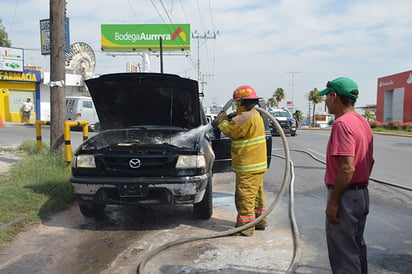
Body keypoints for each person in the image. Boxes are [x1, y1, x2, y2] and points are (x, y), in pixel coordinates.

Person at [318, 77, 374, 273]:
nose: (326, 102)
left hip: (345, 196)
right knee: (356, 248)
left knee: (343, 256)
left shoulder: (342, 124)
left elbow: (347, 168)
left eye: (327, 97)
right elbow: (370, 161)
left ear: (335, 96)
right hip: (361, 194)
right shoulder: (362, 122)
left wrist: (334, 202)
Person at [213, 85, 268, 236]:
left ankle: (245, 228)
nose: (236, 106)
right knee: (256, 194)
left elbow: (230, 130)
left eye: (237, 103)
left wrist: (222, 121)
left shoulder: (244, 117)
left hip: (248, 165)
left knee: (245, 196)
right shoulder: (255, 114)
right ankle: (260, 221)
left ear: (242, 102)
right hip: (258, 164)